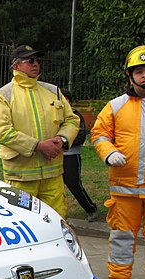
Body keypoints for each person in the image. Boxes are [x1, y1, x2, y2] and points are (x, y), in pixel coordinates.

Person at [91, 44, 145, 279]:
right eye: (139, 71)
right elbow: (99, 134)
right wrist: (108, 152)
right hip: (125, 188)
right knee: (121, 237)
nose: (144, 76)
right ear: (130, 76)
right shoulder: (116, 106)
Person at [0, 45, 80, 218]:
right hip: (21, 177)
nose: (36, 64)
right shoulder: (4, 95)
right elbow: (3, 132)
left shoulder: (53, 91)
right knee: (24, 223)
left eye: (38, 60)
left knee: (57, 220)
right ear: (15, 66)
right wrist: (38, 146)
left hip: (52, 174)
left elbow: (72, 120)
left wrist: (62, 139)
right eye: (30, 60)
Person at [60, 88, 98, 222]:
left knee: (74, 184)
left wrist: (61, 141)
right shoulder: (52, 116)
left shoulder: (76, 116)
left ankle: (91, 209)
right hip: (54, 157)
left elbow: (80, 136)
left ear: (69, 102)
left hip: (71, 155)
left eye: (65, 100)